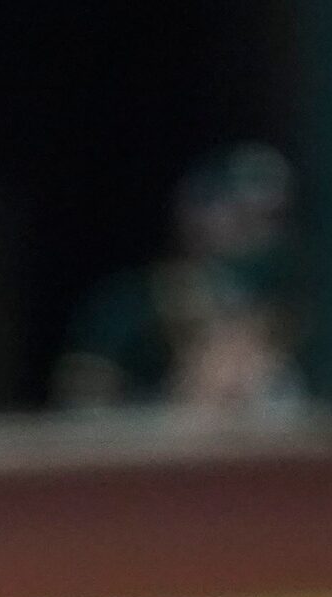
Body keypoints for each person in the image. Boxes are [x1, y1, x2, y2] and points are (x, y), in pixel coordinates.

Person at [54, 143, 303, 417]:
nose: (258, 233)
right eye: (241, 217)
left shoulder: (303, 305)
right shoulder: (132, 303)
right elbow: (81, 409)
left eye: (271, 219)